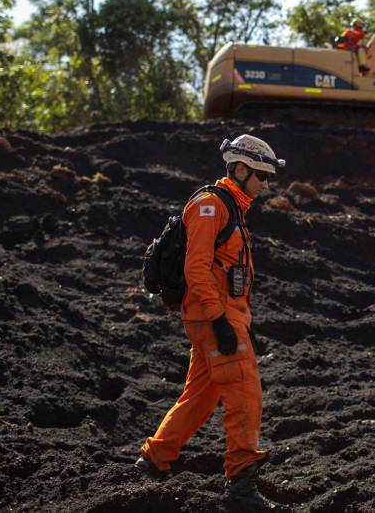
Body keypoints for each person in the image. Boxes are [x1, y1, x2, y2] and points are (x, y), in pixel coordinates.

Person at [136, 134, 285, 509]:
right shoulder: (210, 205)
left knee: (201, 396)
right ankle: (241, 485)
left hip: (220, 317)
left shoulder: (231, 207)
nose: (266, 184)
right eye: (262, 176)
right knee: (244, 393)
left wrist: (235, 320)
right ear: (240, 169)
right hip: (212, 316)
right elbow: (196, 268)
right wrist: (220, 321)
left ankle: (153, 461)